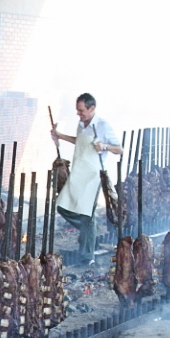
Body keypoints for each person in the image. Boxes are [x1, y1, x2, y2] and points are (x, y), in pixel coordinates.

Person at [50, 92, 122, 265]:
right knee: (62, 206)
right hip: (78, 172)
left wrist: (104, 146)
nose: (78, 113)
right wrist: (59, 135)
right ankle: (87, 232)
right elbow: (79, 141)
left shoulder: (102, 125)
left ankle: (87, 256)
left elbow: (119, 149)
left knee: (87, 215)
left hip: (93, 175)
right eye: (77, 110)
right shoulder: (82, 124)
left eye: (81, 110)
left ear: (92, 108)